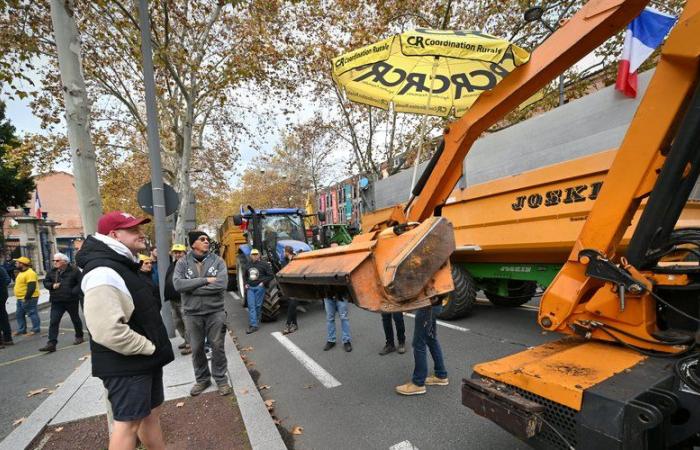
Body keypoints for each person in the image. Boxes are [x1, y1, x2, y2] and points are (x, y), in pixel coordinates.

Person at [76, 211, 174, 450]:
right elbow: (107, 330)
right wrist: (149, 347)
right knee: (127, 425)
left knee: (149, 416)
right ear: (114, 235)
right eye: (133, 230)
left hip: (139, 362)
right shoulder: (103, 271)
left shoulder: (121, 264)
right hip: (128, 363)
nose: (141, 233)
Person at [173, 230, 232, 397]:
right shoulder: (182, 263)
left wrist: (191, 289)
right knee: (197, 348)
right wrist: (204, 280)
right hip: (192, 314)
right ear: (193, 244)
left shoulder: (218, 261)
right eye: (202, 239)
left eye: (207, 239)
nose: (207, 241)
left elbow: (221, 285)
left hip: (215, 311)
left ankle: (221, 379)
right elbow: (178, 285)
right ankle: (202, 379)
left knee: (217, 346)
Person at [395, 303, 448, 396]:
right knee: (431, 339)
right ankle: (441, 374)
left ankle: (418, 383)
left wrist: (409, 305)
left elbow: (419, 289)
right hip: (435, 303)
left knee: (419, 344)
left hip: (427, 306)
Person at [38, 253, 84, 353]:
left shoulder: (74, 271)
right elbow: (46, 282)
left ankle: (79, 336)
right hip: (57, 301)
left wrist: (73, 292)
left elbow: (81, 283)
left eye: (57, 261)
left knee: (75, 319)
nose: (55, 262)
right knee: (54, 321)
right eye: (54, 261)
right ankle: (51, 343)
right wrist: (51, 285)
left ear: (65, 261)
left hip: (71, 300)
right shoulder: (52, 271)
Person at [164, 244, 190, 355]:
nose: (178, 254)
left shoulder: (188, 265)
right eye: (176, 252)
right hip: (173, 299)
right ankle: (186, 340)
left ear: (185, 253)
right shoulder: (173, 265)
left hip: (183, 298)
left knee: (187, 321)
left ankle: (191, 344)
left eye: (180, 252)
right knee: (178, 321)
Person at [242, 248, 273, 334]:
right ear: (250, 256)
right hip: (250, 288)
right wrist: (246, 284)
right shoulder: (247, 265)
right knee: (251, 306)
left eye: (256, 254)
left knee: (258, 306)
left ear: (259, 255)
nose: (254, 256)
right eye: (253, 254)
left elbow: (271, 276)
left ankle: (256, 319)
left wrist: (263, 283)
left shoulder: (264, 264)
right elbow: (244, 276)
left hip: (259, 287)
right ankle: (254, 325)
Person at [12, 256, 41, 336]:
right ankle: (22, 329)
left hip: (29, 298)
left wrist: (26, 298)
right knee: (19, 314)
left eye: (17, 263)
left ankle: (36, 329)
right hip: (20, 298)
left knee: (32, 313)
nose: (16, 264)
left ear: (22, 264)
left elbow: (31, 287)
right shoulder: (21, 272)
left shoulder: (30, 273)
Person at [281, 246, 298, 335]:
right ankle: (294, 324)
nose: (283, 253)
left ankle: (288, 324)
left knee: (292, 303)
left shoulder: (297, 258)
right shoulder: (284, 260)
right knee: (292, 304)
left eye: (284, 251)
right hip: (288, 285)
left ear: (287, 252)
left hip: (295, 285)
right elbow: (284, 270)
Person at [0, 264, 13, 348]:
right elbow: (8, 280)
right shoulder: (1, 269)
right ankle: (8, 339)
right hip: (3, 295)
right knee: (3, 316)